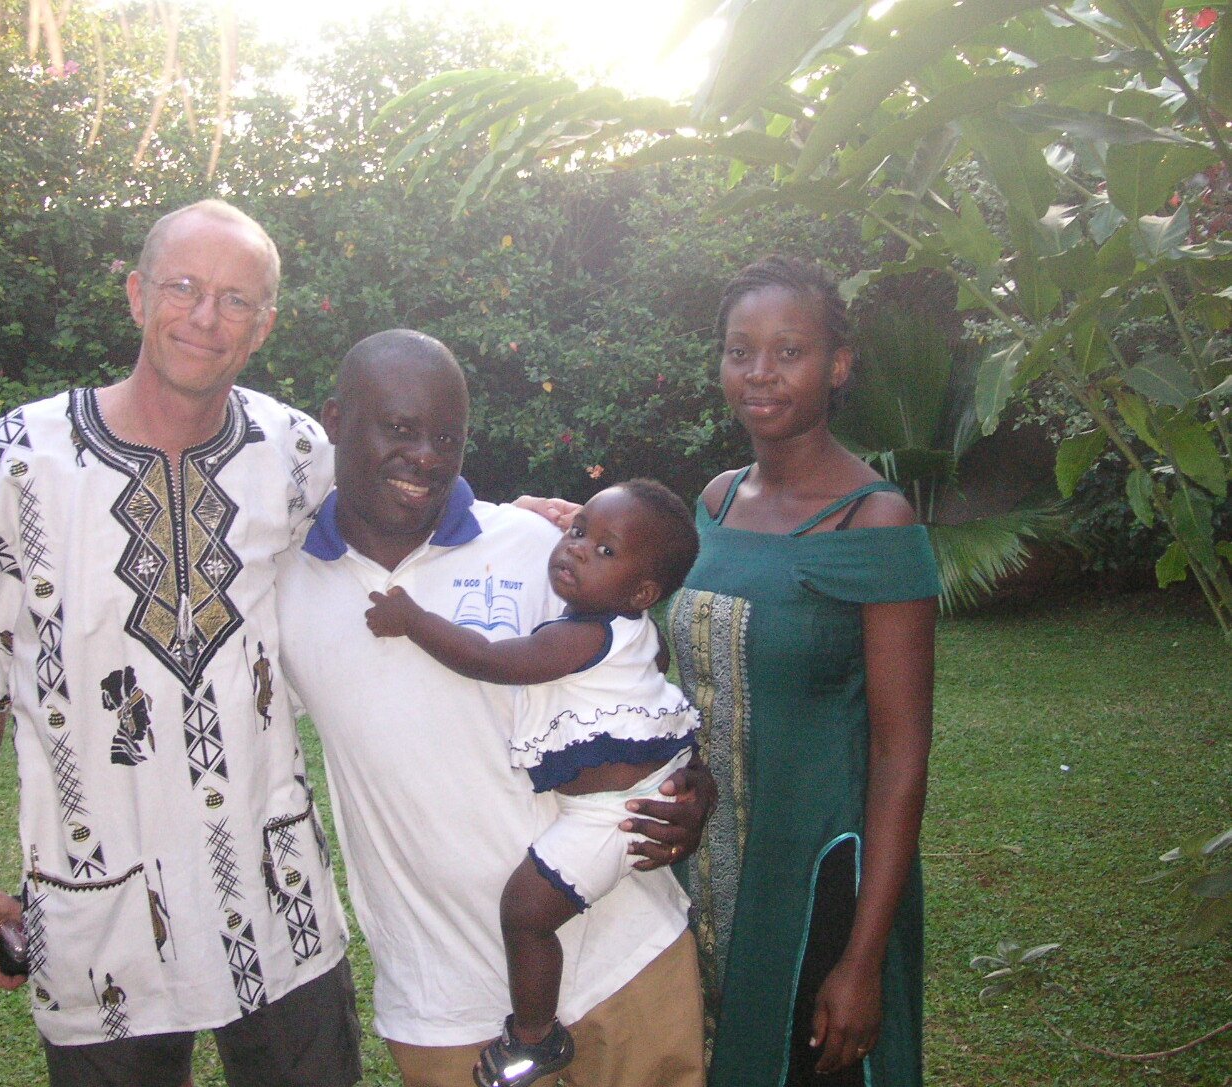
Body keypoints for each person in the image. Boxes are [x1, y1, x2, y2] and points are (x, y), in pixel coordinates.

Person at [0, 200, 361, 1087]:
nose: (204, 317)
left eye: (235, 300)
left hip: (276, 899)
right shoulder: (21, 458)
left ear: (263, 326)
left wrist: (511, 524)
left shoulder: (297, 452)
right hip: (101, 907)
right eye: (183, 287)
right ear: (136, 294)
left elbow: (395, 532)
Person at [277, 329, 711, 1087]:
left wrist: (690, 785)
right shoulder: (280, 587)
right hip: (446, 1001)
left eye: (447, 436)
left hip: (623, 952)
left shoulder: (537, 544)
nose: (427, 458)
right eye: (400, 429)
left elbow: (640, 671)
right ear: (336, 419)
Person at [667, 256, 939, 1087]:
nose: (760, 373)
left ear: (838, 365)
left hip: (822, 874)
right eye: (739, 350)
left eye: (789, 351)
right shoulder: (712, 503)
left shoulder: (874, 519)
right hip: (700, 868)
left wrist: (861, 958)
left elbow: (901, 758)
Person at [363, 477, 701, 1087]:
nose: (574, 548)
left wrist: (412, 619)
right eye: (578, 531)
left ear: (642, 590)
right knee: (530, 906)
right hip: (639, 795)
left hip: (613, 817)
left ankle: (534, 1037)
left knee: (526, 912)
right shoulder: (632, 630)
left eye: (604, 550)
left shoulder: (580, 636)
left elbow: (491, 660)